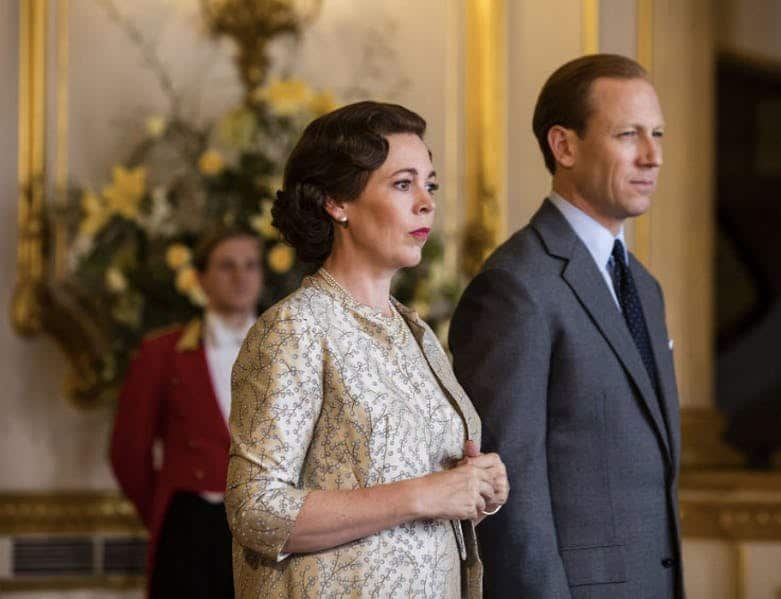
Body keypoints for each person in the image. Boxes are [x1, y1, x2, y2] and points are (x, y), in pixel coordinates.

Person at [225, 101, 508, 599]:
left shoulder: (415, 332)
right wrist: (422, 495)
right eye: (403, 184)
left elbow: (425, 499)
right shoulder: (295, 327)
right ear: (337, 202)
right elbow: (254, 510)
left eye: (430, 185)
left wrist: (478, 486)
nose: (426, 202)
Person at [449, 54, 684, 598]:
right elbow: (508, 494)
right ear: (564, 146)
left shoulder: (644, 287)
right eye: (629, 134)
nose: (653, 156)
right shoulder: (515, 285)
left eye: (657, 134)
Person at [110, 227, 263, 598]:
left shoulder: (289, 348)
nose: (241, 277)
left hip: (270, 526)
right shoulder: (161, 353)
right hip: (192, 528)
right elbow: (128, 453)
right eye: (227, 266)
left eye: (251, 266)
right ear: (200, 279)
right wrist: (169, 512)